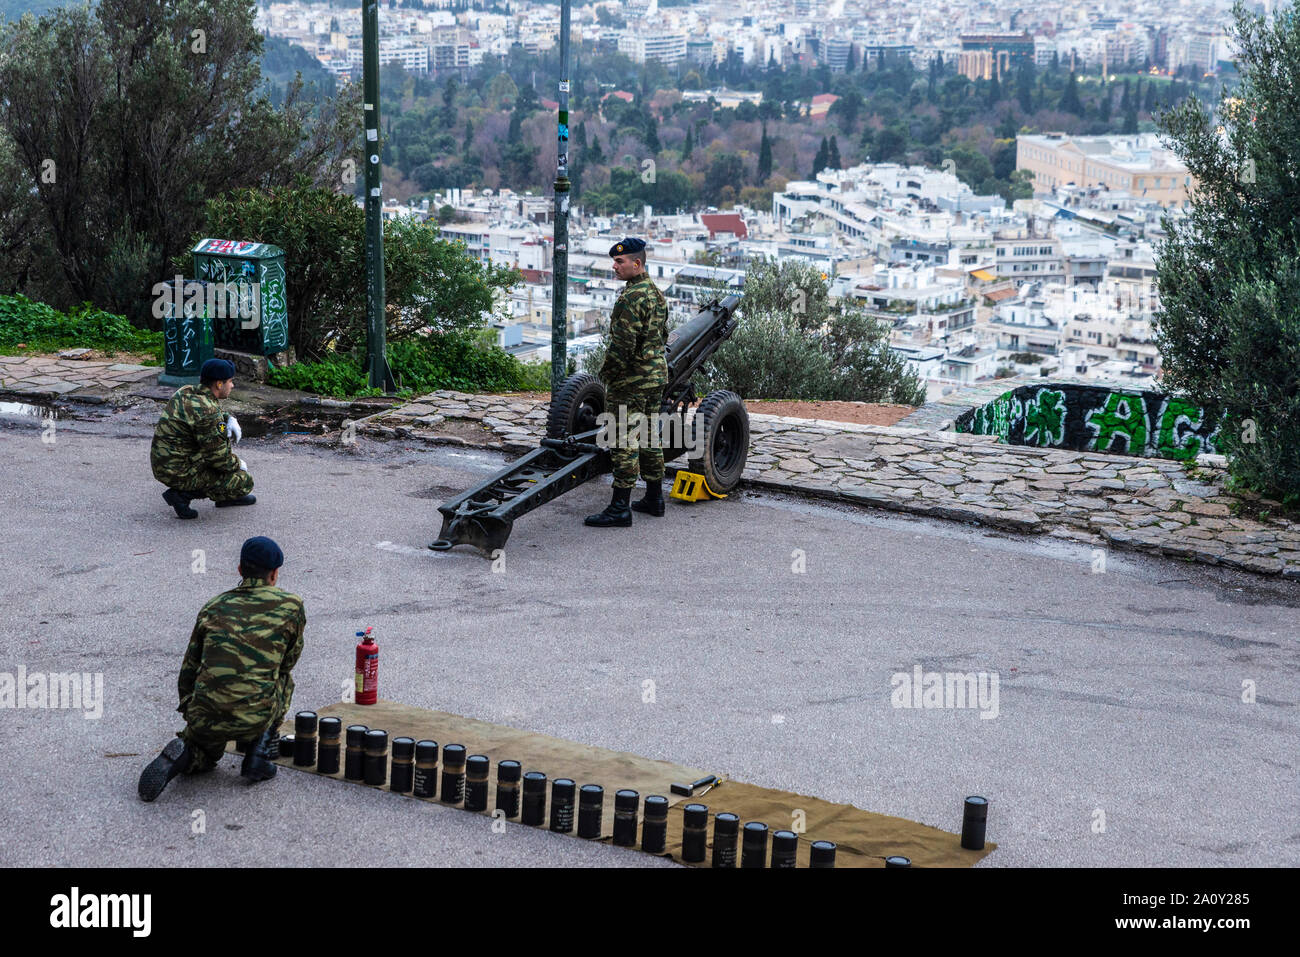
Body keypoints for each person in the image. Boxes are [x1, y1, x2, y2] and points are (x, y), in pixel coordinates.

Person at [137, 536, 306, 802]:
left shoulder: (213, 606)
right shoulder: (291, 605)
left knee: (203, 753)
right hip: (256, 714)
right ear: (275, 574)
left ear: (240, 570)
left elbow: (190, 666)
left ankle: (184, 756)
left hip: (206, 713)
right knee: (283, 679)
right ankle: (258, 752)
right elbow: (288, 662)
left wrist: (190, 710)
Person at [586, 237, 670, 528]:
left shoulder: (630, 298)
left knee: (623, 438)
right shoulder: (657, 295)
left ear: (637, 263)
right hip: (656, 376)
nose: (614, 266)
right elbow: (662, 336)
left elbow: (622, 346)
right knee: (650, 436)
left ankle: (620, 507)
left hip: (632, 380)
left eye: (620, 262)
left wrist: (606, 376)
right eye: (614, 261)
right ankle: (654, 498)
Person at [151, 357, 254, 519]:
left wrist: (227, 418)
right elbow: (219, 459)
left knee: (221, 460)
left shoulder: (186, 391)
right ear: (219, 384)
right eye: (230, 381)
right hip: (177, 471)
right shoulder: (208, 411)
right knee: (244, 480)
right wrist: (238, 464)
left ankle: (221, 493)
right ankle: (181, 495)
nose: (232, 386)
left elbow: (198, 415)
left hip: (164, 464)